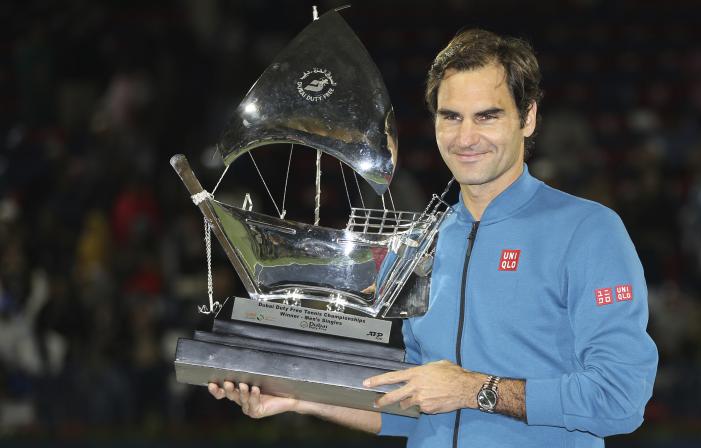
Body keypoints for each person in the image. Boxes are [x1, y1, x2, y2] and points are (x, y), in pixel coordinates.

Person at [208, 28, 658, 447]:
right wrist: (299, 397)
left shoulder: (588, 230)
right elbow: (414, 405)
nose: (466, 137)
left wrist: (473, 390)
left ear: (528, 118)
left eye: (487, 116)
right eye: (451, 116)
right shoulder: (423, 241)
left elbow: (620, 398)